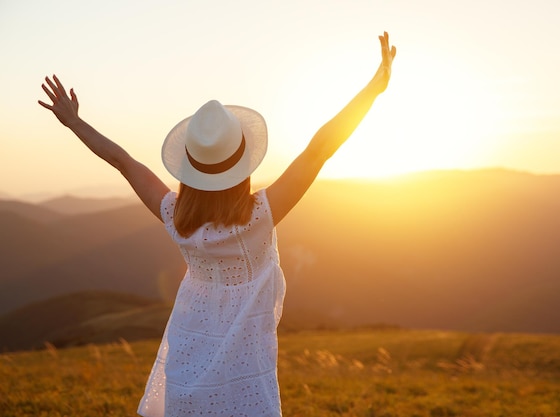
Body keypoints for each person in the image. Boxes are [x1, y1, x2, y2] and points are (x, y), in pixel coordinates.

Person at [39, 32, 396, 417]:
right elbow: (319, 150)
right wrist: (372, 91)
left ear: (190, 169)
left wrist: (75, 123)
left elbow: (125, 163)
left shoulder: (176, 217)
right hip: (245, 373)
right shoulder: (260, 216)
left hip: (187, 361)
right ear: (243, 164)